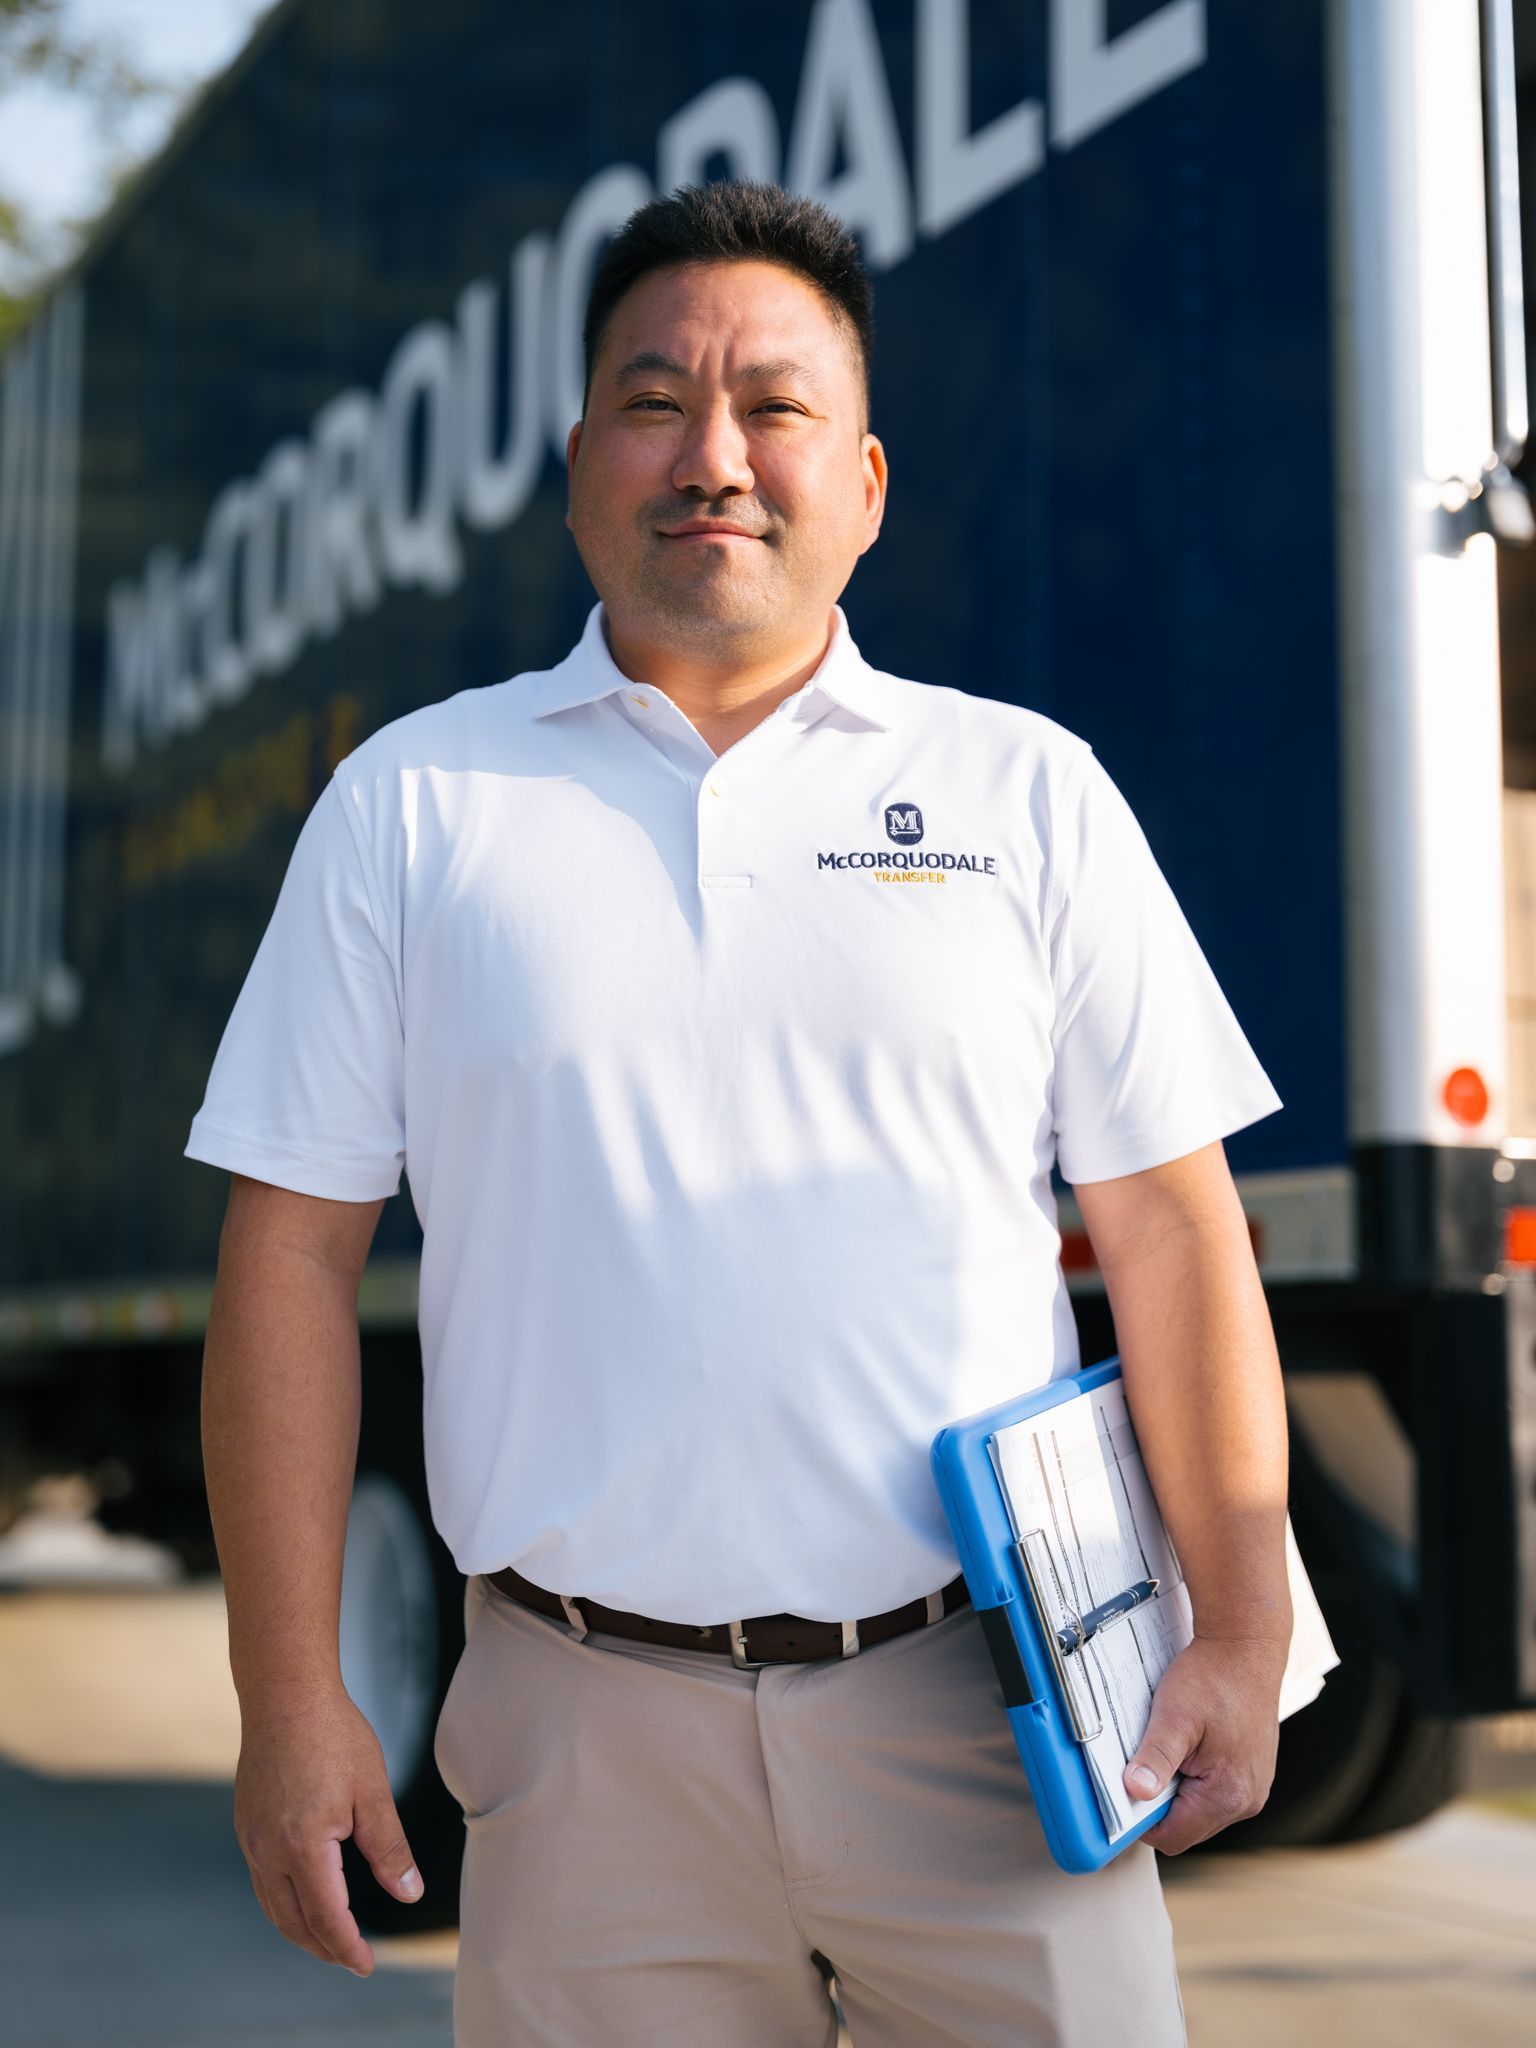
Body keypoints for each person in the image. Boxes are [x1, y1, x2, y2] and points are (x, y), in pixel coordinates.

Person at [189, 179, 1291, 2046]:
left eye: (774, 406)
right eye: (655, 401)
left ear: (861, 482)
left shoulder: (1026, 793)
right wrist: (290, 1698)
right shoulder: (414, 805)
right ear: (574, 471)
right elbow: (287, 1260)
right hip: (584, 1739)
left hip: (989, 1714)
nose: (715, 456)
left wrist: (1247, 1634)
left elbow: (1177, 1225)